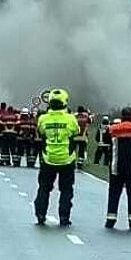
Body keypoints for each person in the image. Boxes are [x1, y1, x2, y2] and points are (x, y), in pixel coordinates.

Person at [34, 89, 80, 226]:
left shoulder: (43, 119)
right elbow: (76, 132)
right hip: (67, 159)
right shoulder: (71, 119)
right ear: (65, 102)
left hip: (48, 158)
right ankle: (64, 217)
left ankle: (41, 214)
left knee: (44, 188)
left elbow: (41, 132)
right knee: (66, 190)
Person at [105, 108, 131, 230]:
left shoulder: (113, 129)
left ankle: (110, 219)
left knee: (114, 192)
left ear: (122, 116)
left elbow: (106, 141)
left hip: (116, 166)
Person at [73, 106, 91, 170]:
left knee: (73, 149)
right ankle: (80, 164)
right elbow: (89, 123)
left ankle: (73, 162)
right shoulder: (86, 116)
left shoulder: (74, 116)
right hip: (83, 136)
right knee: (81, 150)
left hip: (75, 135)